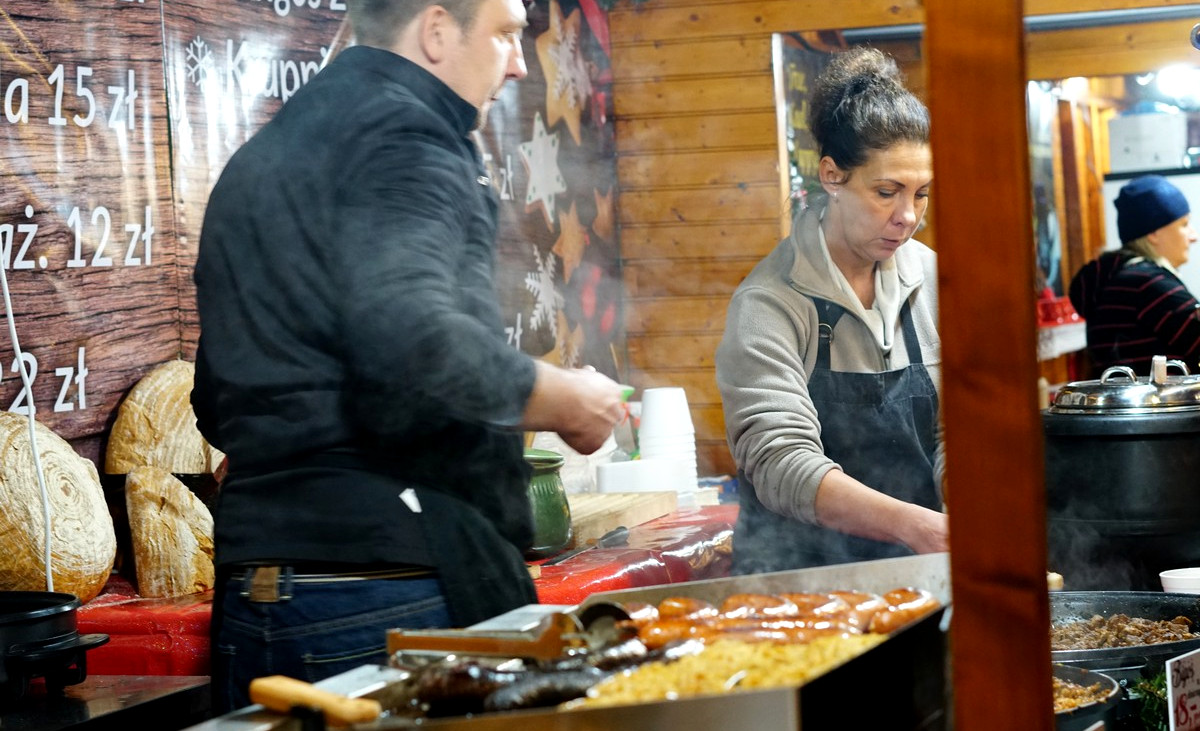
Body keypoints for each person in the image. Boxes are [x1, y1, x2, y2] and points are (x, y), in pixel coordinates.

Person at [191, 0, 626, 713]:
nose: (520, 64)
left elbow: (216, 398)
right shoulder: (407, 137)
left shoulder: (272, 150)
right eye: (505, 34)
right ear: (436, 30)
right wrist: (564, 399)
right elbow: (412, 337)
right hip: (382, 592)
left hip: (261, 590)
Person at [715, 46, 947, 575]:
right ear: (832, 177)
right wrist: (918, 527)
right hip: (799, 578)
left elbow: (954, 430)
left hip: (921, 568)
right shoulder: (770, 302)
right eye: (886, 192)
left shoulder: (932, 279)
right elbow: (781, 462)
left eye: (921, 194)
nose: (907, 216)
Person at [1068, 174, 1200, 377]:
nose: (1193, 236)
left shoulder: (1114, 278)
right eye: (1184, 224)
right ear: (1154, 233)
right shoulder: (1150, 284)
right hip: (1156, 399)